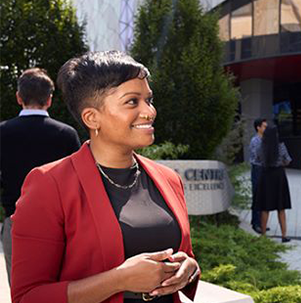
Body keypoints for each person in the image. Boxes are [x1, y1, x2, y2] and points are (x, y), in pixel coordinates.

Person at [11, 51, 200, 303]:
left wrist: (188, 269)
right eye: (132, 102)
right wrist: (119, 280)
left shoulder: (168, 179)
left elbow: (186, 255)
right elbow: (28, 297)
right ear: (92, 117)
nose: (149, 111)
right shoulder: (49, 185)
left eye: (149, 100)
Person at [0, 68, 81, 285]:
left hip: (16, 220)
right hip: (62, 225)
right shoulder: (66, 134)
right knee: (61, 290)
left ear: (19, 97)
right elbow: (80, 179)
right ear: (49, 100)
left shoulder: (3, 132)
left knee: (22, 291)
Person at [254, 125, 292, 243]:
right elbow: (288, 160)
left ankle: (264, 234)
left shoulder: (261, 147)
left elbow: (258, 159)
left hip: (265, 177)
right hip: (279, 177)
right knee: (281, 207)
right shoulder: (281, 146)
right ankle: (284, 235)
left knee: (265, 207)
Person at [249, 118, 268, 234]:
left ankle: (262, 222)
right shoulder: (255, 141)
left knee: (263, 196)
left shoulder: (265, 140)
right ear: (258, 128)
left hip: (264, 169)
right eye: (264, 126)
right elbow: (258, 156)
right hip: (257, 169)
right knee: (257, 195)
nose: (266, 128)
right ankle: (256, 223)